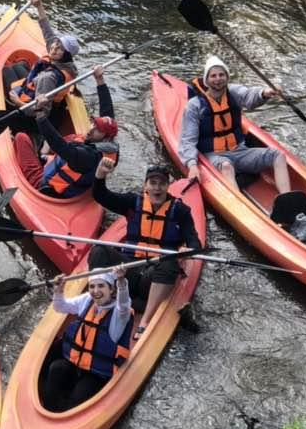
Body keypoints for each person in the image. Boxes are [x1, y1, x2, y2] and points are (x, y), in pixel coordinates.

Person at [90, 159, 202, 339]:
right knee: (99, 250)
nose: (157, 188)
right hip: (126, 271)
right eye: (153, 183)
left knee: (169, 262)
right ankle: (102, 300)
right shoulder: (132, 202)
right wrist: (100, 174)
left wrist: (189, 251)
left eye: (162, 184)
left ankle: (145, 321)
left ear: (168, 187)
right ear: (146, 186)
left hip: (153, 277)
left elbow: (194, 241)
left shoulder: (180, 211)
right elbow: (101, 196)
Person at [178, 55, 291, 196]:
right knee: (226, 166)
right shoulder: (195, 105)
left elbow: (250, 96)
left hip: (239, 150)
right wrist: (192, 165)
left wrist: (265, 93)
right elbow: (187, 140)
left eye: (221, 75)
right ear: (207, 80)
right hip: (214, 155)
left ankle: (288, 199)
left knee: (277, 155)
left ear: (227, 77)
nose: (218, 79)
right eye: (213, 76)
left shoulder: (234, 93)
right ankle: (241, 206)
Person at [14, 65, 119, 197]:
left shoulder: (86, 156)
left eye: (98, 129)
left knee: (20, 137)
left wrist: (40, 113)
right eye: (94, 124)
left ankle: (29, 164)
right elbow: (107, 109)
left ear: (106, 138)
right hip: (70, 181)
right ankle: (44, 157)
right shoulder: (111, 146)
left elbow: (58, 144)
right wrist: (99, 79)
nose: (91, 128)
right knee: (71, 140)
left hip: (43, 186)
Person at [44, 265, 132, 411]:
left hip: (97, 373)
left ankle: (67, 413)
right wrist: (59, 290)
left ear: (111, 289)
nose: (96, 291)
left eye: (101, 286)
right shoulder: (87, 299)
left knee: (78, 398)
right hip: (75, 362)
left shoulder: (120, 313)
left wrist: (121, 281)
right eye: (92, 286)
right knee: (56, 368)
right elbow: (60, 307)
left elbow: (124, 304)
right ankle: (49, 408)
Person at [2, 0, 80, 121]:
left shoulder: (49, 78)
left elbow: (40, 113)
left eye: (60, 48)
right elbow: (47, 31)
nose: (54, 48)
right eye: (57, 43)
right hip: (34, 85)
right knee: (18, 66)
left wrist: (17, 102)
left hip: (29, 111)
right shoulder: (58, 55)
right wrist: (39, 5)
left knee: (6, 70)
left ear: (66, 55)